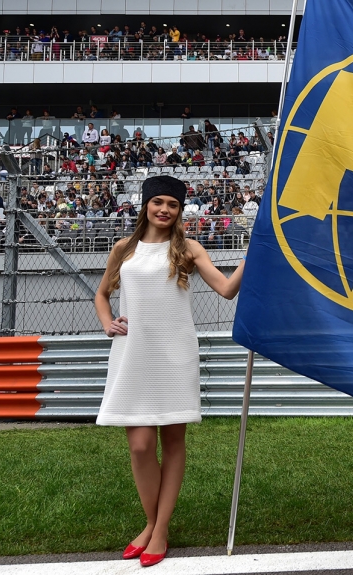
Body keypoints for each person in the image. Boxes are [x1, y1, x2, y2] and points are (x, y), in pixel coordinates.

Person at [93, 175, 245, 567]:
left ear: (180, 210)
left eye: (173, 204)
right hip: (133, 354)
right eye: (157, 201)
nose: (164, 209)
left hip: (174, 354)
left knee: (173, 440)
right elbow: (102, 293)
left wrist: (253, 256)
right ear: (145, 204)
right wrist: (107, 321)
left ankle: (158, 530)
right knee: (141, 445)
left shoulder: (189, 248)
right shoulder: (123, 248)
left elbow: (226, 290)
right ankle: (151, 522)